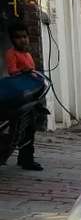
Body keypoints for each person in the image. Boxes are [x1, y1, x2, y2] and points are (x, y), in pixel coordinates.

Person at [4, 21, 43, 170]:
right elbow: (13, 72)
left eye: (25, 36)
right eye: (18, 37)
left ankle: (25, 158)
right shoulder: (11, 54)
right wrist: (26, 73)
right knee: (21, 128)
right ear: (12, 39)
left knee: (30, 128)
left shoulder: (27, 53)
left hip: (31, 96)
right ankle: (25, 160)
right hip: (19, 97)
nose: (23, 40)